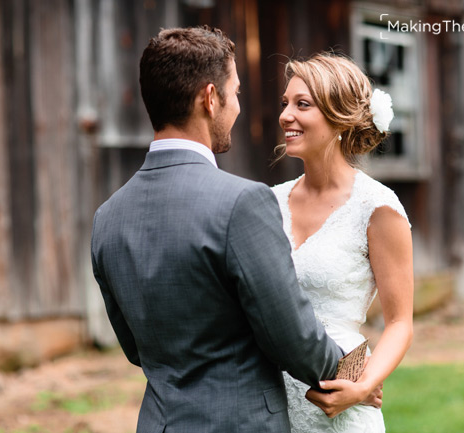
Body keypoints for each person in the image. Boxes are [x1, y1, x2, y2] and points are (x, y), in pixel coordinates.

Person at [91, 27, 378, 433]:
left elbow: (135, 348)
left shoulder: (107, 217)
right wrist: (352, 375)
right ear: (210, 99)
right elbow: (290, 334)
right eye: (236, 92)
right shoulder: (241, 203)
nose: (238, 107)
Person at [271, 53, 414, 432]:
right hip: (268, 400)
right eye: (285, 103)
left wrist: (361, 385)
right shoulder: (268, 202)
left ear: (338, 117)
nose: (286, 115)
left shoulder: (377, 207)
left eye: (302, 104)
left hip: (343, 406)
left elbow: (400, 322)